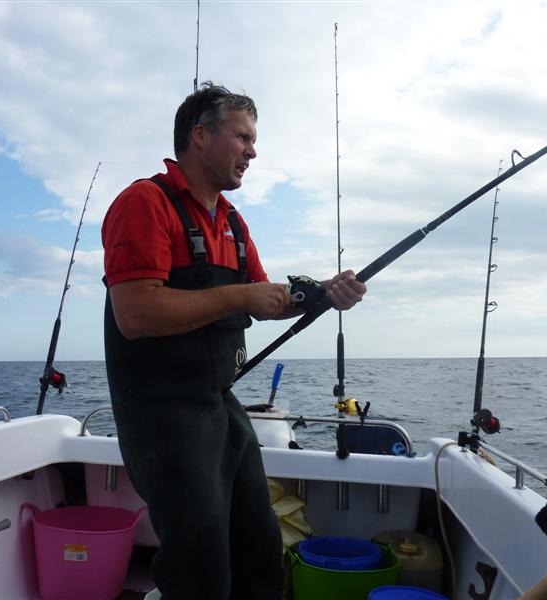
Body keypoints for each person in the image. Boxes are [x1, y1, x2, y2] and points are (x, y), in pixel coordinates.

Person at [102, 82, 366, 600]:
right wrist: (239, 297)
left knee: (258, 546)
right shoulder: (145, 203)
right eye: (242, 137)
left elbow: (270, 300)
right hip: (162, 416)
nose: (253, 151)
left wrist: (321, 294)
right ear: (200, 136)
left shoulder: (232, 222)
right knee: (198, 562)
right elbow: (135, 314)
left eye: (254, 139)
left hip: (220, 404)